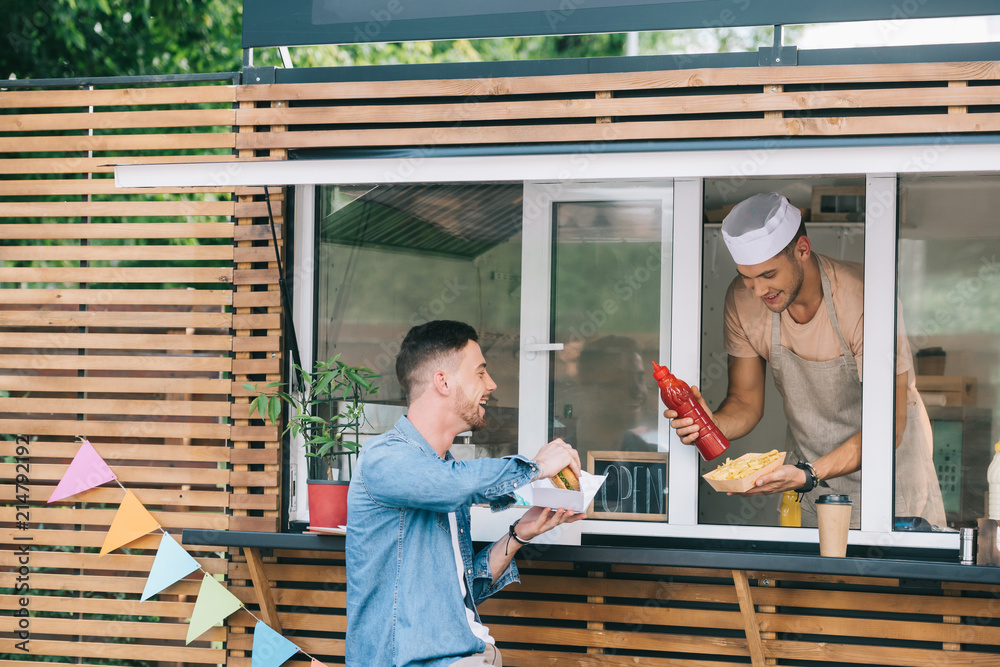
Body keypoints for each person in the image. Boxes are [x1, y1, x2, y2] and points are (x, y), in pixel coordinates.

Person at [666, 192, 944, 529]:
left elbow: (888, 426)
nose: (757, 291)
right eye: (746, 276)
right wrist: (710, 424)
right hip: (808, 478)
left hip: (890, 478)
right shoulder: (742, 301)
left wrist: (809, 473)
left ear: (802, 249)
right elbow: (746, 401)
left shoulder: (864, 300)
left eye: (768, 275)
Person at [346, 320, 585, 667]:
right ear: (443, 382)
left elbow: (466, 587)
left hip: (474, 654)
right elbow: (457, 483)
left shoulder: (446, 470)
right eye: (480, 372)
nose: (491, 384)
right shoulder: (385, 459)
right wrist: (535, 467)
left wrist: (520, 533)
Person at [572, 335, 657, 468]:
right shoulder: (563, 460)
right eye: (622, 380)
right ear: (588, 386)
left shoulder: (652, 458)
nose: (637, 391)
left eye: (640, 379)